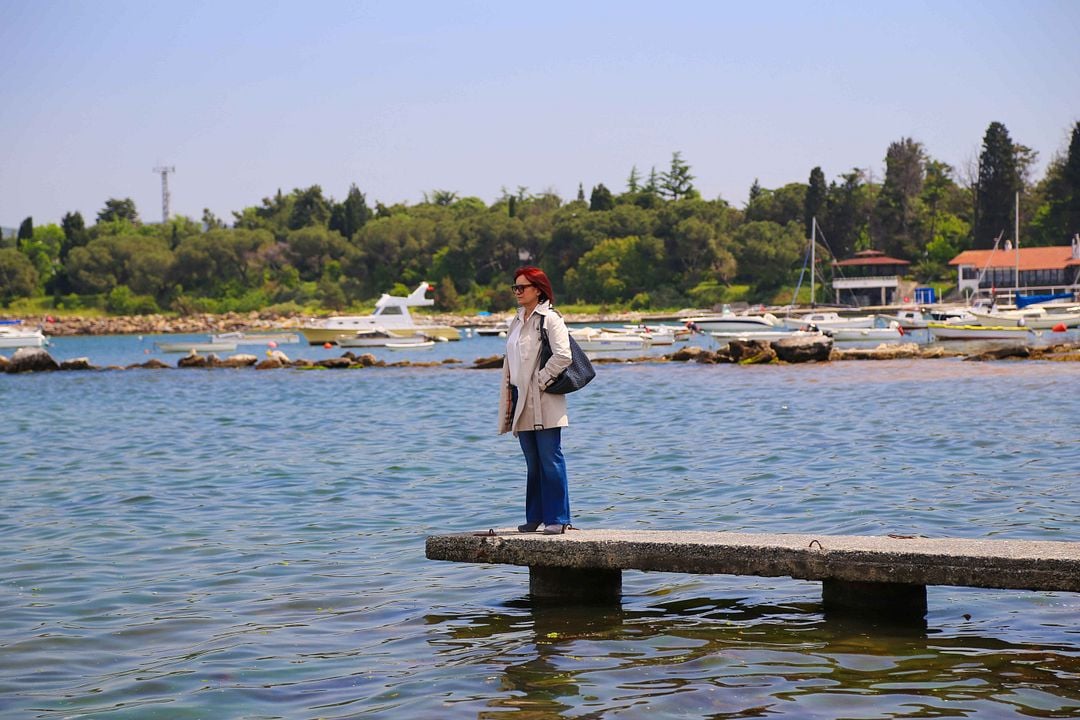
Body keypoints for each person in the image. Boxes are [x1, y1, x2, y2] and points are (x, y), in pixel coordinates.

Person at [498, 266, 574, 534]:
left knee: (550, 458)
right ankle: (536, 517)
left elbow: (564, 356)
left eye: (522, 287)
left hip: (545, 399)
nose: (517, 292)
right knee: (533, 462)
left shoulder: (550, 318)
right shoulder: (516, 320)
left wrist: (540, 382)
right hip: (521, 398)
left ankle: (558, 518)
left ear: (538, 290)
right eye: (515, 288)